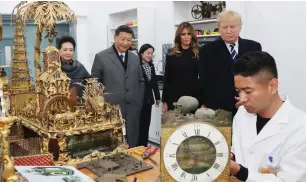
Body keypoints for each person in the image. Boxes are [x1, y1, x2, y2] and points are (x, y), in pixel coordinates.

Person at [230, 51, 305, 181]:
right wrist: (229, 155)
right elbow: (239, 147)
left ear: (273, 86)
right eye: (238, 91)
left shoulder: (300, 127)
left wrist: (240, 171)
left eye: (248, 91)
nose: (242, 99)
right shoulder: (242, 114)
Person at [198, 10, 262, 116]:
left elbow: (258, 76)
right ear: (219, 28)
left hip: (249, 104)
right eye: (225, 27)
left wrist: (248, 96)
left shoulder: (254, 47)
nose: (229, 31)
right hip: (220, 108)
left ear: (240, 27)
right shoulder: (207, 51)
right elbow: (205, 81)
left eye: (232, 27)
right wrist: (204, 103)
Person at [91, 25, 145, 148]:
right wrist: (101, 106)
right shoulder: (101, 57)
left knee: (132, 143)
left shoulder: (135, 58)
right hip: (111, 111)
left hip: (132, 110)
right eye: (122, 39)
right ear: (115, 37)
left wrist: (138, 101)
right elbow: (94, 84)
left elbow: (141, 81)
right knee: (111, 145)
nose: (125, 43)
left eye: (129, 40)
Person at [162, 22, 200, 112]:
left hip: (193, 97)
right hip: (174, 97)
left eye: (189, 34)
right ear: (179, 36)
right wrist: (164, 101)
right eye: (183, 34)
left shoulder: (199, 53)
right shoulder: (171, 53)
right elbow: (167, 78)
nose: (186, 37)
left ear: (192, 35)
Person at [137, 44, 160, 146]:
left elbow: (154, 82)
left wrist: (157, 97)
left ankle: (144, 145)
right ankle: (138, 146)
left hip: (149, 100)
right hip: (139, 101)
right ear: (142, 53)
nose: (150, 55)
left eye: (151, 53)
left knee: (147, 124)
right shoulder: (137, 66)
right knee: (139, 125)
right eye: (148, 53)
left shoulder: (151, 66)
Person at [58, 36, 90, 102]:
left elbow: (89, 84)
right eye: (65, 50)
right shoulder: (55, 68)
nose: (68, 53)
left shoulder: (80, 67)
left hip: (79, 105)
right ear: (59, 51)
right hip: (60, 105)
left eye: (71, 50)